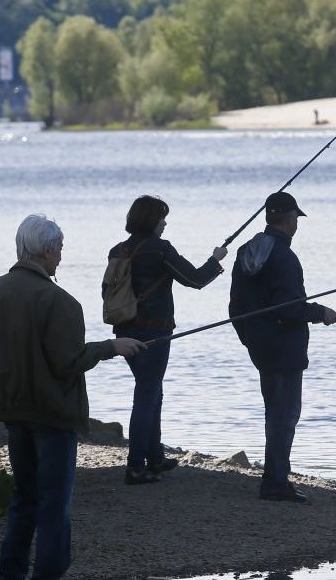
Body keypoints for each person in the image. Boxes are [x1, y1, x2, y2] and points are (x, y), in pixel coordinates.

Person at [0, 213, 146, 580]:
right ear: (47, 250)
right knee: (54, 503)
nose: (61, 258)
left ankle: (10, 573)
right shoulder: (59, 301)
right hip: (52, 414)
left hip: (11, 409)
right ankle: (49, 574)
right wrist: (111, 347)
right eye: (60, 250)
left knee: (24, 498)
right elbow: (69, 362)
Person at [106, 195, 228, 485]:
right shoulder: (160, 250)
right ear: (152, 220)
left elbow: (107, 291)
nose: (165, 222)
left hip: (124, 332)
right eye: (162, 217)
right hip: (155, 334)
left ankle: (155, 457)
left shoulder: (118, 250)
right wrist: (216, 260)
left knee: (152, 392)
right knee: (147, 397)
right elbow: (196, 280)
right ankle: (135, 467)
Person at [229, 192, 336, 503]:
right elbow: (288, 307)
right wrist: (322, 313)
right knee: (285, 415)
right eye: (296, 219)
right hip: (285, 347)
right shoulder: (285, 258)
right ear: (290, 219)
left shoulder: (245, 252)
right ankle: (275, 482)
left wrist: (249, 337)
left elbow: (235, 306)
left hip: (261, 346)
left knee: (274, 412)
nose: (296, 224)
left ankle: (274, 477)